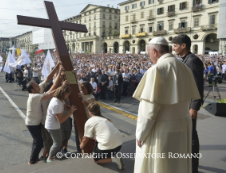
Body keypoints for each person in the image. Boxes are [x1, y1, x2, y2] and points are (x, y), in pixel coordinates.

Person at [133, 37, 200, 173]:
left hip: (161, 129)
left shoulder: (156, 70)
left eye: (149, 53)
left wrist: (141, 134)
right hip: (182, 126)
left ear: (155, 52)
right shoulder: (184, 67)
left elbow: (149, 111)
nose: (149, 56)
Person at [172, 34, 204, 173]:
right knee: (187, 135)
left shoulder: (192, 60)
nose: (173, 49)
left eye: (175, 45)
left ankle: (193, 167)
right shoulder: (184, 60)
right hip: (184, 105)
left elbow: (197, 85)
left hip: (189, 106)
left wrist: (194, 107)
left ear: (183, 46)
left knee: (191, 137)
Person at [80, 102, 124, 170]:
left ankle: (115, 159)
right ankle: (111, 155)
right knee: (99, 140)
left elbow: (85, 138)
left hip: (109, 148)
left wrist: (81, 146)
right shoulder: (106, 118)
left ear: (90, 112)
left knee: (95, 159)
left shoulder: (89, 122)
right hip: (119, 145)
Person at [45, 85, 76, 163]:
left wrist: (68, 107)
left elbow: (64, 106)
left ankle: (55, 156)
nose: (68, 96)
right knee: (57, 143)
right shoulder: (56, 104)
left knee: (58, 142)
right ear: (65, 93)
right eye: (68, 94)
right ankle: (50, 158)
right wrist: (70, 112)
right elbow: (61, 120)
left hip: (54, 125)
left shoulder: (59, 100)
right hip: (52, 126)